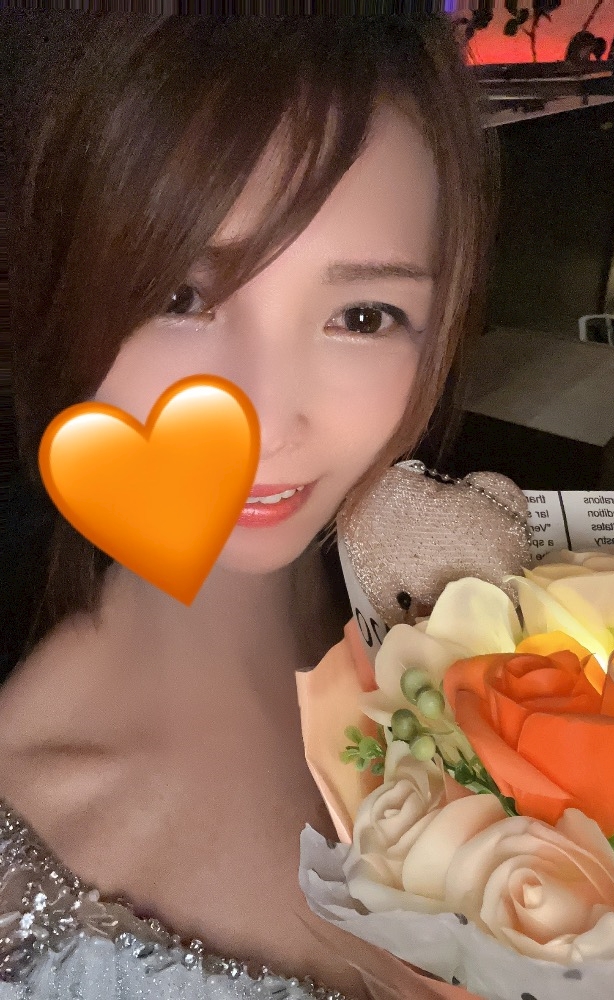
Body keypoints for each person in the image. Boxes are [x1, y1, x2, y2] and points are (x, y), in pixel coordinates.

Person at [2, 14, 500, 999]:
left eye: (362, 317)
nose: (265, 421)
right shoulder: (40, 841)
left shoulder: (470, 617)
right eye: (180, 299)